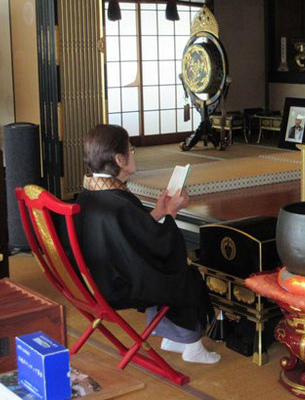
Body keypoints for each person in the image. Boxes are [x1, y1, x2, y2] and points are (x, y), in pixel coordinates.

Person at [76, 124, 220, 364]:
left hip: (95, 282)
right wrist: (171, 214)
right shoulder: (117, 202)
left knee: (168, 269)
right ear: (120, 159)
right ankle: (191, 344)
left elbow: (133, 233)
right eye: (131, 149)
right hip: (118, 287)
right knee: (184, 273)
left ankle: (175, 337)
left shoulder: (91, 193)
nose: (134, 153)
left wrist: (159, 211)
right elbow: (157, 244)